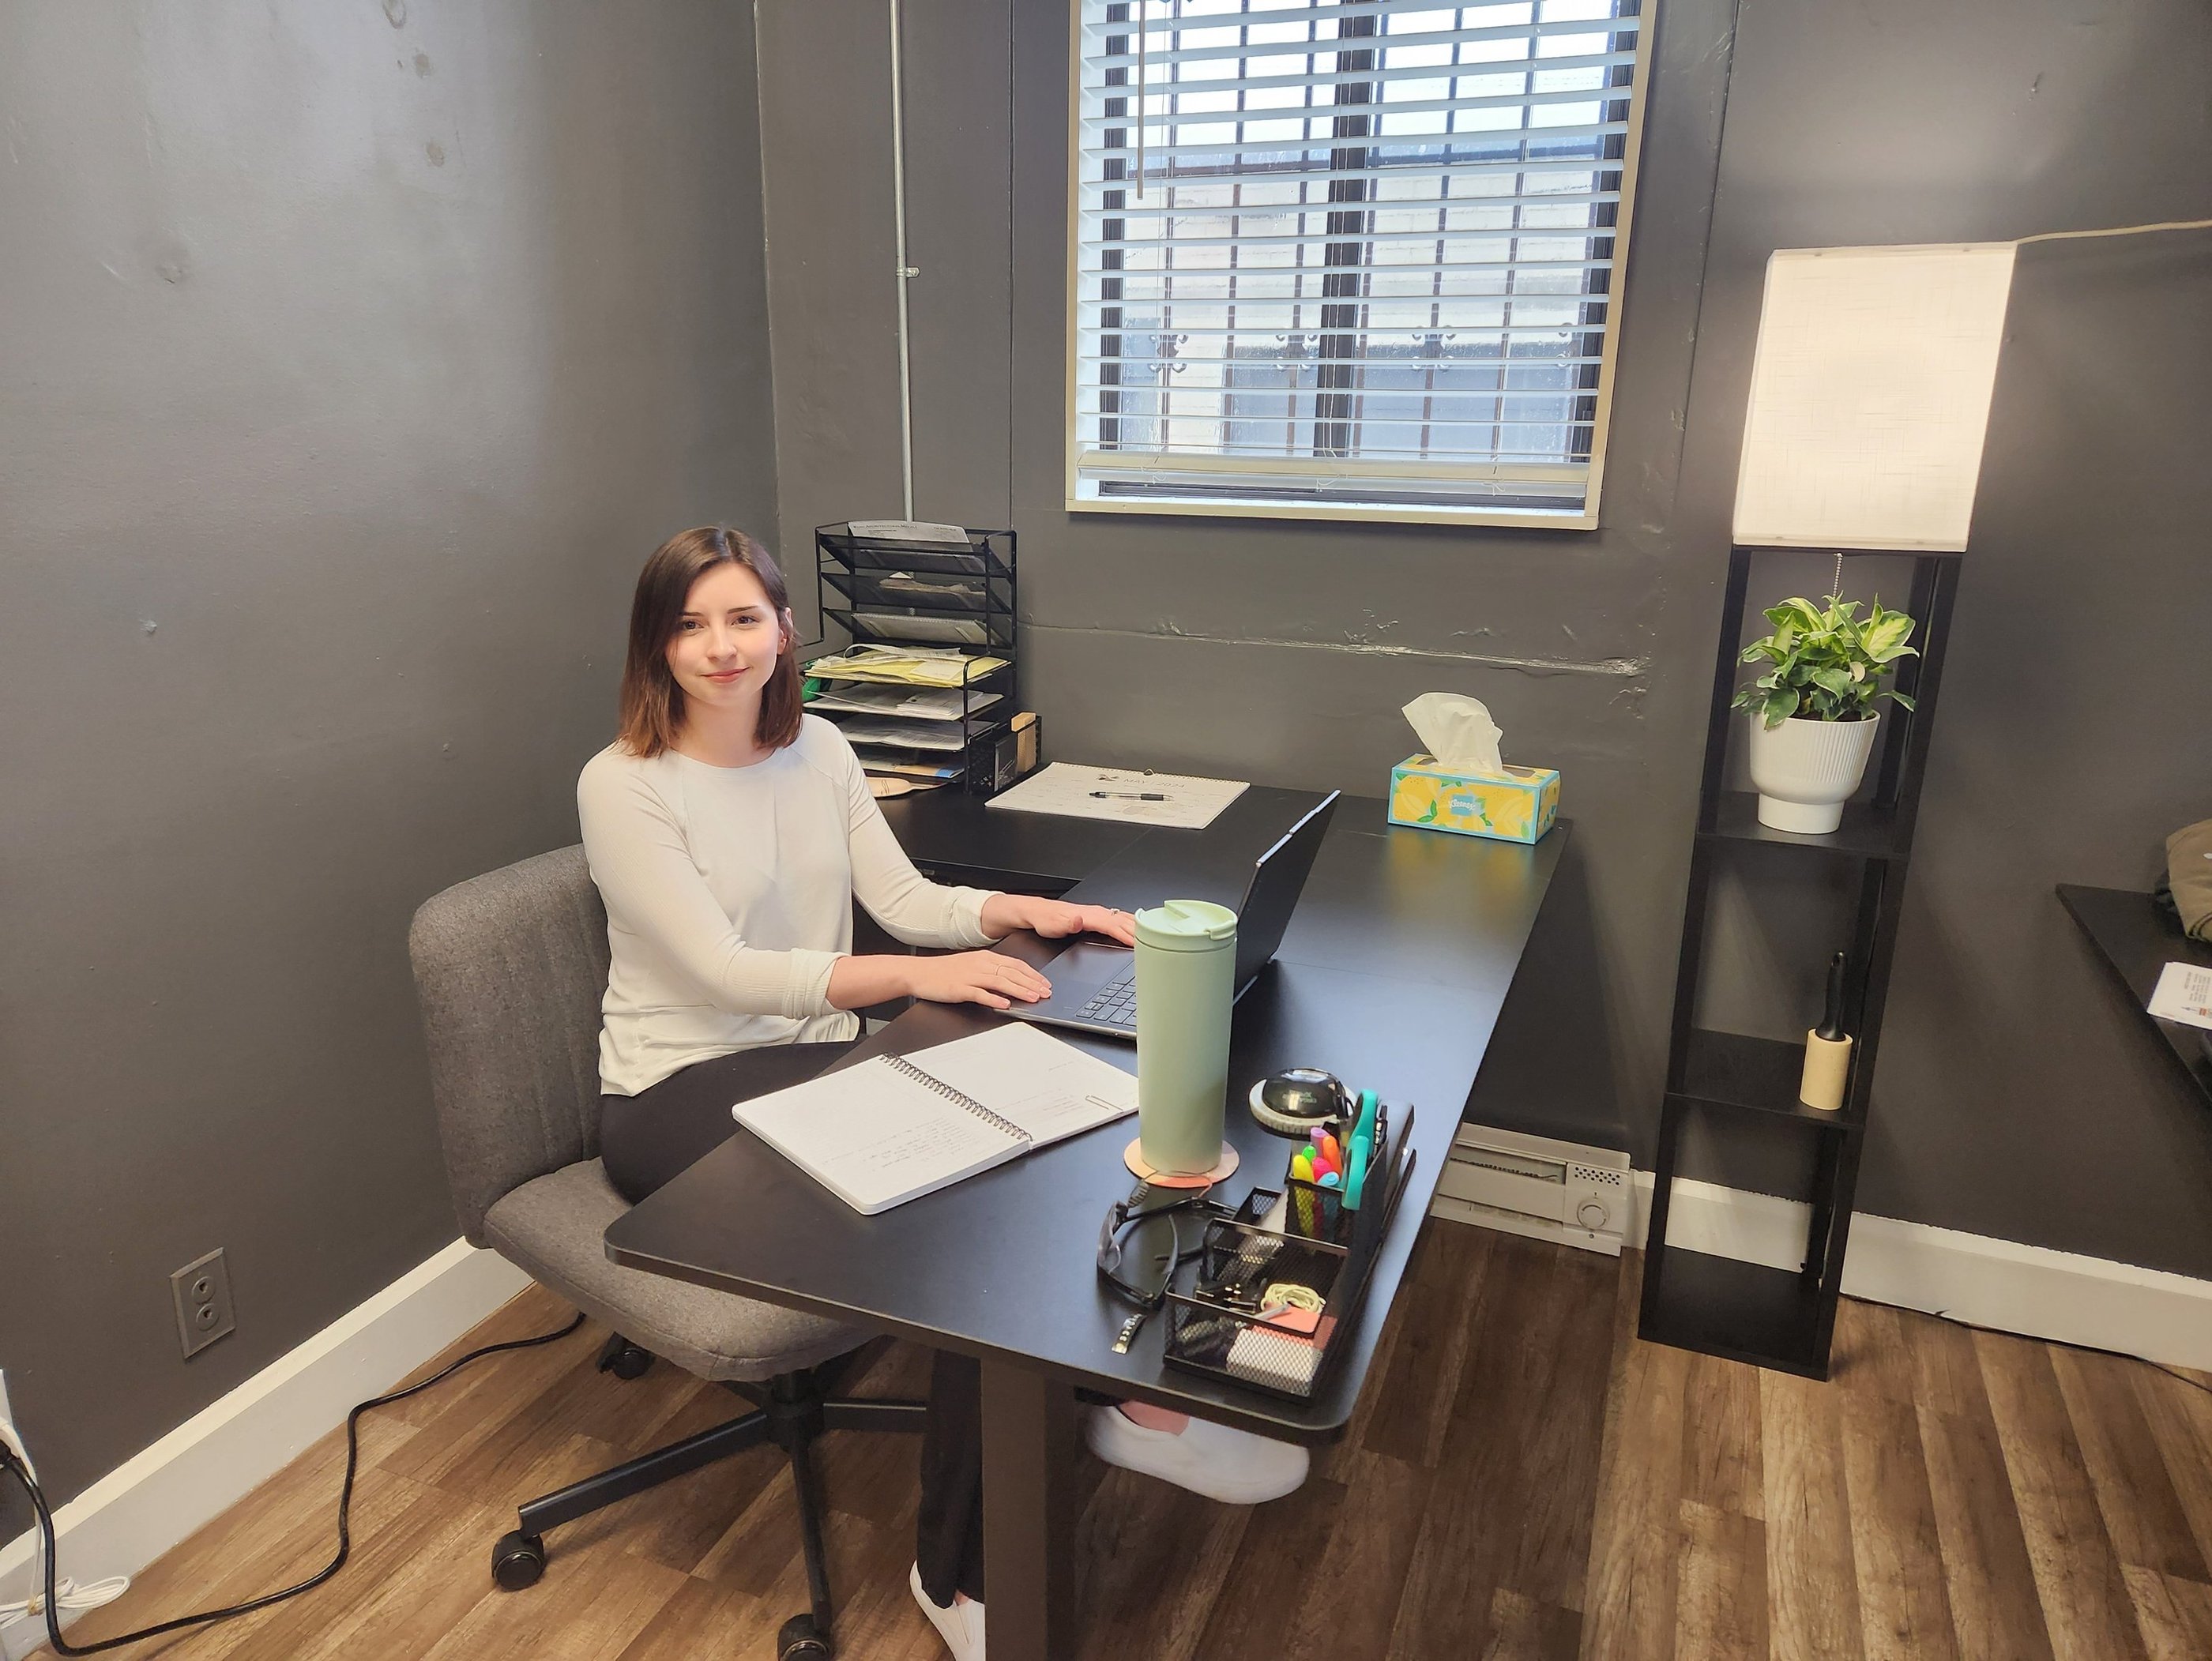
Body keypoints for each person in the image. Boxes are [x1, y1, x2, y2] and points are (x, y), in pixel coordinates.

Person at [578, 527, 1306, 1661]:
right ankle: (957, 1575)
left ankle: (1135, 1407)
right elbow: (724, 974)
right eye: (689, 623)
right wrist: (920, 979)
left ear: (784, 630)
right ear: (655, 644)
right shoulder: (625, 786)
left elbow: (908, 898)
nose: (721, 647)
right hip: (680, 1092)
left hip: (815, 1051)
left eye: (743, 618)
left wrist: (1021, 912)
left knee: (1060, 1131)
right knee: (967, 1226)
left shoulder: (816, 746)